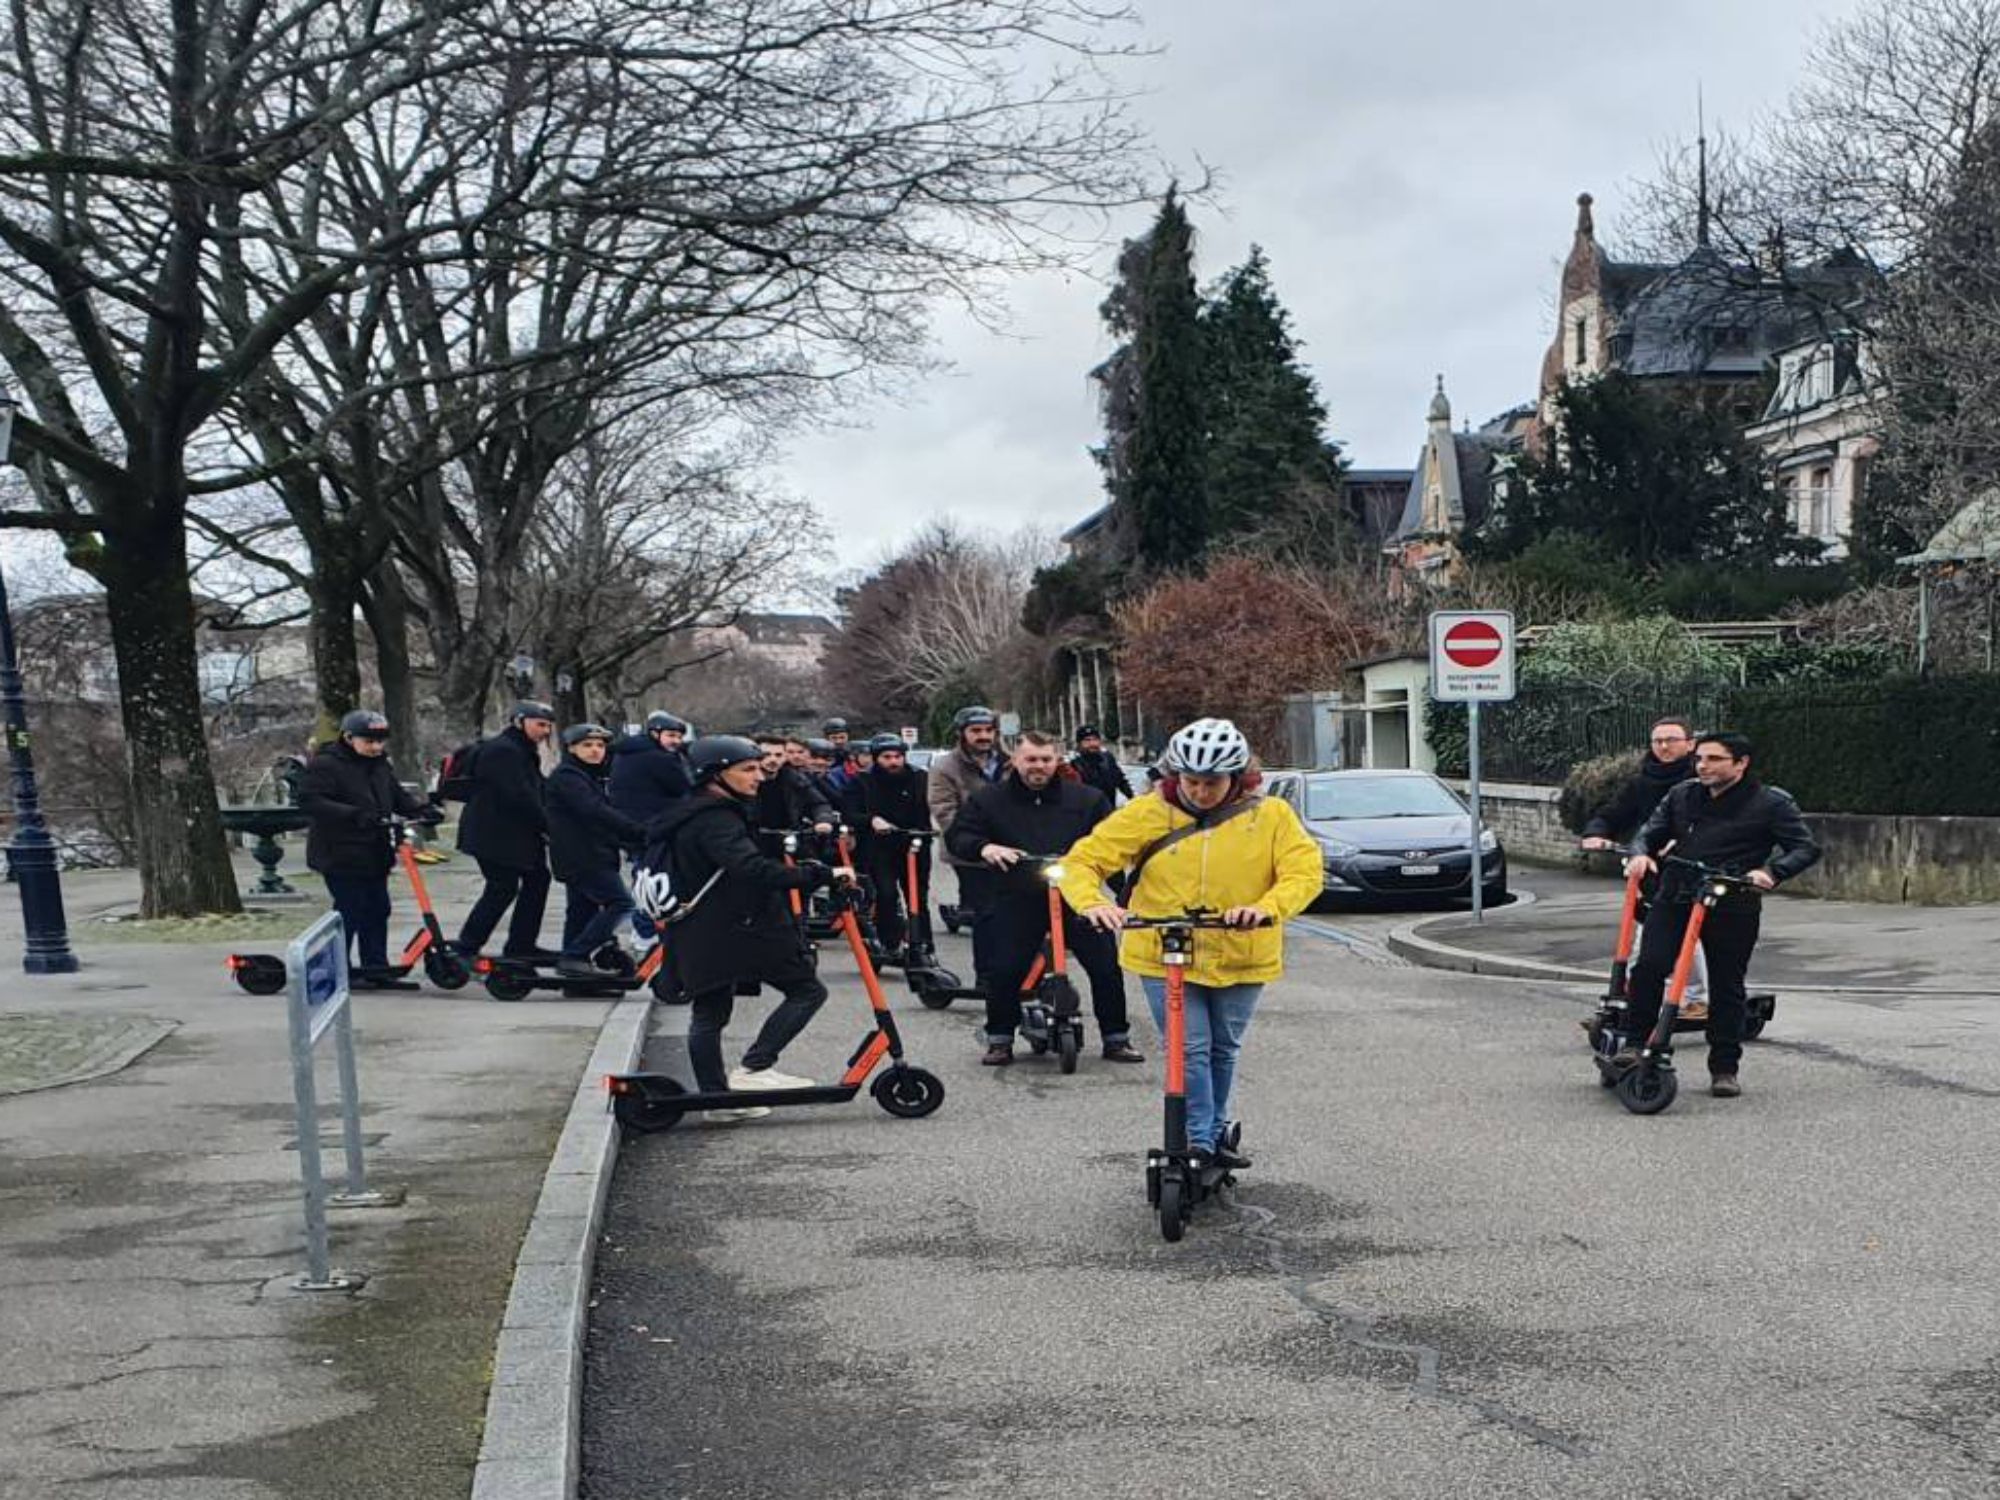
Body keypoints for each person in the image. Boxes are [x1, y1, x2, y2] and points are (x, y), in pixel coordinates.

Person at [1060, 718, 1322, 1169]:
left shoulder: (1271, 815)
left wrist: (1266, 908)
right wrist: (1093, 903)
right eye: (1191, 781)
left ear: (1236, 777)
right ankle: (1199, 1140)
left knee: (1223, 1047)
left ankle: (1215, 1132)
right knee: (1190, 1049)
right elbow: (1082, 862)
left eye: (1212, 782)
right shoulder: (1147, 812)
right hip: (1163, 950)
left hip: (1241, 949)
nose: (1200, 792)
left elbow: (1304, 872)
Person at [646, 735, 846, 1122]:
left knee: (710, 1013)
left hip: (701, 927)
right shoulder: (716, 819)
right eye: (747, 769)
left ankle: (717, 1100)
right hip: (729, 927)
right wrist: (819, 875)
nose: (759, 776)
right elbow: (750, 869)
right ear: (715, 775)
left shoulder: (695, 810)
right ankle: (754, 1069)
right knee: (806, 990)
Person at [1620, 731, 1821, 1099]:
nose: (1703, 766)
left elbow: (1805, 848)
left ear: (1741, 763)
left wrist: (1771, 872)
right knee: (1649, 966)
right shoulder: (1682, 795)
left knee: (1727, 984)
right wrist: (1640, 854)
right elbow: (1650, 832)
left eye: (1714, 759)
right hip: (1677, 893)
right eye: (1699, 759)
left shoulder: (1770, 803)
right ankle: (1635, 1044)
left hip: (1732, 899)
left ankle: (1724, 1067)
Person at [946, 731, 1142, 1066]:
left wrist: (1123, 893)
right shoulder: (988, 799)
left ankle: (1116, 1038)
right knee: (1004, 968)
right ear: (1015, 760)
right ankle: (1000, 1039)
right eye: (1031, 759)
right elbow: (959, 835)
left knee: (1106, 966)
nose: (1039, 766)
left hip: (1076, 897)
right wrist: (985, 848)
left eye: (1046, 759)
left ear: (1057, 760)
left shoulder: (1087, 799)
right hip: (1017, 895)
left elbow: (1111, 843)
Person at [1578, 716, 1709, 1013]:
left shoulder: (1699, 781)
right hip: (1648, 868)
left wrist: (1683, 841)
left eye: (1671, 740)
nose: (1663, 746)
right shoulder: (1642, 782)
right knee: (1646, 934)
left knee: (1686, 934)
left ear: (1690, 744)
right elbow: (1613, 813)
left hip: (1689, 870)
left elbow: (1713, 821)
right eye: (1657, 741)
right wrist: (1596, 833)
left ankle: (1695, 997)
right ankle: (1637, 998)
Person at [297, 710, 435, 983]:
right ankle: (337, 967)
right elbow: (311, 801)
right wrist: (354, 814)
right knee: (350, 909)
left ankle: (375, 965)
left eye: (380, 741)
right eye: (369, 741)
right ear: (349, 738)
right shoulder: (326, 764)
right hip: (339, 851)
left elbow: (396, 795)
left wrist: (422, 810)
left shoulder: (380, 764)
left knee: (378, 907)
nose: (376, 747)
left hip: (374, 850)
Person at [454, 700, 558, 959]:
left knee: (535, 880)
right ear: (519, 721)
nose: (545, 731)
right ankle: (468, 946)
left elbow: (536, 787)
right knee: (502, 887)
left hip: (512, 834)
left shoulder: (520, 748)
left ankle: (520, 945)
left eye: (548, 726)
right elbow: (519, 795)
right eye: (540, 724)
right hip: (494, 835)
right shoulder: (504, 751)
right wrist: (548, 825)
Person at [546, 723, 649, 980]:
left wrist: (631, 839)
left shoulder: (589, 776)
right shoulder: (568, 777)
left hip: (590, 854)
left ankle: (574, 969)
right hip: (583, 856)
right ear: (572, 748)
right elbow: (595, 811)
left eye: (600, 746)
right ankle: (576, 955)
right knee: (621, 903)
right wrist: (637, 831)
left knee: (581, 911)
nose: (595, 750)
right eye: (587, 745)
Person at [928, 705, 1008, 996]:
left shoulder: (1009, 763)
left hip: (1011, 849)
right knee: (986, 913)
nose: (983, 736)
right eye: (976, 731)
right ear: (962, 734)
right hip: (970, 854)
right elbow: (944, 812)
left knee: (1019, 913)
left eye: (988, 730)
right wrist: (977, 843)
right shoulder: (945, 767)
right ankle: (987, 976)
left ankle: (1022, 972)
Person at [609, 711, 694, 945]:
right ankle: (645, 929)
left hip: (631, 827)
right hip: (654, 828)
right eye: (671, 735)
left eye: (679, 736)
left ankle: (644, 930)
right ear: (655, 734)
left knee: (643, 876)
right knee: (655, 881)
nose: (676, 741)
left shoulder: (627, 753)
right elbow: (684, 787)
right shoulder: (659, 758)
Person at [856, 735, 932, 960]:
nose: (893, 762)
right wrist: (872, 820)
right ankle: (889, 942)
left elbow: (932, 805)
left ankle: (924, 943)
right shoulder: (863, 780)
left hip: (914, 844)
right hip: (880, 847)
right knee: (887, 894)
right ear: (875, 758)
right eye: (887, 757)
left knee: (918, 897)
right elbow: (851, 812)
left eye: (898, 756)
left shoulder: (919, 777)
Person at [752, 733, 834, 837]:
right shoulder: (746, 779)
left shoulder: (793, 777)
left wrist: (823, 820)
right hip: (752, 837)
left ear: (785, 757)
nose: (773, 759)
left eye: (778, 755)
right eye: (766, 755)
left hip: (790, 835)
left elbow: (818, 803)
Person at [1070, 725, 1133, 806]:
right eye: (1087, 740)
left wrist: (1133, 799)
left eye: (1095, 739)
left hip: (1110, 810)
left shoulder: (1107, 759)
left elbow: (1121, 781)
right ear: (1079, 744)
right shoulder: (1075, 766)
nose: (1092, 744)